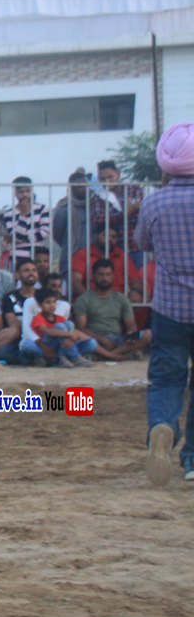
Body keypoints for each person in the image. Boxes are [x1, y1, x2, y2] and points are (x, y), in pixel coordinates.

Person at [136, 122, 194, 486]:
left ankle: (162, 426)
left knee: (166, 380)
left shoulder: (153, 202)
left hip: (170, 307)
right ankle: (193, 461)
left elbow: (142, 243)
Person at [74, 259, 151, 361]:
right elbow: (80, 328)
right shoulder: (84, 299)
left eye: (108, 274)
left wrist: (130, 335)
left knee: (148, 335)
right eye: (101, 274)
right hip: (95, 340)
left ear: (113, 276)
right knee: (83, 341)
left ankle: (107, 355)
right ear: (93, 276)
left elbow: (131, 324)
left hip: (118, 341)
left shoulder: (121, 299)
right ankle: (118, 354)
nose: (104, 278)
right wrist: (102, 339)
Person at [22, 287, 97, 367]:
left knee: (91, 343)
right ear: (40, 305)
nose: (52, 305)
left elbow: (72, 334)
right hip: (48, 345)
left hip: (61, 347)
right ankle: (74, 357)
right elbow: (48, 331)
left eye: (54, 302)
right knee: (27, 344)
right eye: (48, 302)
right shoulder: (38, 317)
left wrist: (71, 339)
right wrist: (70, 334)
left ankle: (59, 358)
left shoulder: (60, 318)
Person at [70, 223, 142, 301]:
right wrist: (89, 300)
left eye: (113, 237)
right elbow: (75, 281)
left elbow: (134, 279)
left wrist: (135, 291)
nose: (109, 239)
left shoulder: (122, 256)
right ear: (95, 236)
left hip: (117, 302)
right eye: (105, 235)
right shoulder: (83, 254)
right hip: (90, 300)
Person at [0, 259, 40, 364]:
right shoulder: (9, 297)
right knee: (3, 352)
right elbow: (13, 324)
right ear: (17, 275)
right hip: (18, 338)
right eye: (26, 270)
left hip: (40, 337)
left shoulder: (43, 296)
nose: (31, 273)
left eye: (34, 270)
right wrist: (38, 323)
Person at [0, 176, 51, 264]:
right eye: (21, 192)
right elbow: (15, 237)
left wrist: (24, 239)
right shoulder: (9, 214)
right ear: (15, 192)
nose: (25, 195)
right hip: (18, 257)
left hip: (38, 255)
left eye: (28, 191)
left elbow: (45, 232)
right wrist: (23, 215)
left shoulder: (42, 209)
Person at [53, 171, 91, 279]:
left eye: (85, 185)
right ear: (72, 188)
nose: (84, 189)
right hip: (71, 252)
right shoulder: (64, 207)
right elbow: (57, 233)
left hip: (92, 253)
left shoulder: (95, 204)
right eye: (80, 186)